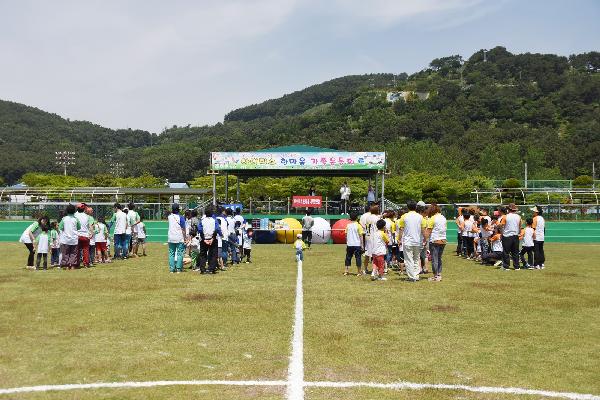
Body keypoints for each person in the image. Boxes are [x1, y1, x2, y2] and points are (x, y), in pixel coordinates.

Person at [397, 200, 426, 282]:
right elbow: (423, 229)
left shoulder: (404, 216)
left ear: (408, 207)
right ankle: (416, 275)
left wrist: (399, 239)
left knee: (408, 259)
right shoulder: (420, 217)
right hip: (417, 241)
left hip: (408, 241)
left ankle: (411, 276)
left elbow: (401, 229)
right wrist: (425, 238)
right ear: (416, 207)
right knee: (416, 258)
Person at [425, 203, 447, 282]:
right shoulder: (443, 218)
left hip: (434, 240)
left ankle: (435, 276)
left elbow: (429, 231)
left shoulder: (432, 218)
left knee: (434, 259)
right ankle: (439, 274)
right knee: (439, 258)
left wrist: (424, 240)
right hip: (443, 240)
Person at [197, 205, 222, 274]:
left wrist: (204, 239)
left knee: (203, 255)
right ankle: (212, 268)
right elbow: (217, 229)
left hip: (204, 239)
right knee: (213, 254)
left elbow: (200, 230)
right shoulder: (214, 220)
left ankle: (202, 269)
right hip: (212, 239)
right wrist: (212, 238)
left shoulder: (202, 220)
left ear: (205, 213)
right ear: (212, 213)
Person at [499, 203, 522, 271]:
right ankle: (517, 266)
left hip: (507, 236)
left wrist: (497, 226)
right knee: (515, 252)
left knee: (506, 252)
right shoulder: (519, 217)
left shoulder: (505, 216)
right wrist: (519, 233)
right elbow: (520, 227)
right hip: (515, 236)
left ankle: (506, 266)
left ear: (508, 209)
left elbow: (502, 225)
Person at [59, 204, 81, 270]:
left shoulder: (64, 219)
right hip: (74, 239)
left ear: (67, 211)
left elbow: (61, 227)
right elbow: (79, 227)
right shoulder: (76, 219)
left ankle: (65, 265)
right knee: (73, 253)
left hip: (65, 239)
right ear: (74, 211)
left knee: (65, 253)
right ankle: (72, 266)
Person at [167, 204, 186, 273]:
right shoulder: (181, 217)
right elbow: (183, 228)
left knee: (171, 253)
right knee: (180, 253)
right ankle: (178, 269)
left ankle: (172, 269)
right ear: (178, 209)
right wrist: (185, 237)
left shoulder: (169, 217)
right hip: (179, 237)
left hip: (171, 237)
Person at [344, 211, 364, 276]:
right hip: (357, 244)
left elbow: (346, 235)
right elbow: (361, 236)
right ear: (357, 217)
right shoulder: (359, 226)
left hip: (349, 244)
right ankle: (359, 272)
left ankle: (346, 271)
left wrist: (347, 242)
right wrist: (362, 245)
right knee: (358, 258)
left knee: (348, 257)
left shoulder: (348, 225)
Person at [75, 203, 92, 268]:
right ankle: (86, 264)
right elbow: (90, 226)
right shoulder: (87, 216)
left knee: (77, 250)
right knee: (86, 250)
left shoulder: (75, 215)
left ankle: (77, 263)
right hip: (85, 235)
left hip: (77, 235)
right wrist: (91, 233)